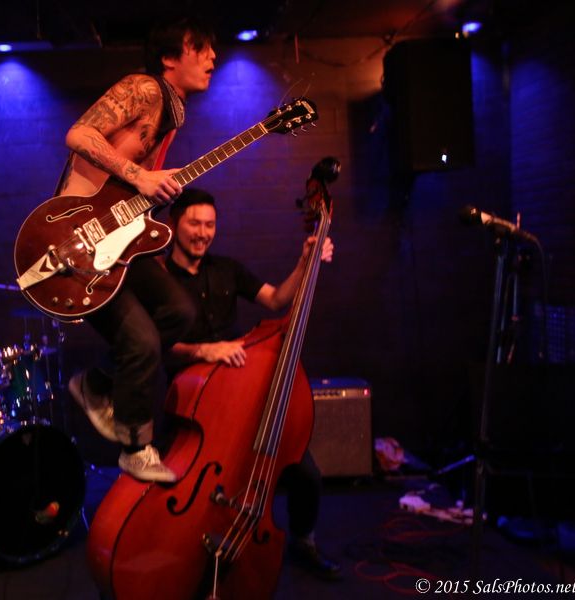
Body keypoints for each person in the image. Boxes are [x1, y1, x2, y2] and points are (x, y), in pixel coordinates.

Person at [63, 15, 217, 482]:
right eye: (200, 47)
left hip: (118, 234)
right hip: (77, 240)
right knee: (142, 338)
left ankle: (96, 383)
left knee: (179, 311)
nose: (213, 57)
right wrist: (141, 177)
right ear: (169, 58)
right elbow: (79, 135)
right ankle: (135, 446)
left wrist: (150, 197)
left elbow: (135, 187)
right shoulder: (144, 88)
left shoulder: (173, 111)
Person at [163, 188, 342, 581]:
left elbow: (276, 300)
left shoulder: (227, 269)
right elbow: (157, 347)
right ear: (174, 224)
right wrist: (202, 350)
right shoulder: (157, 279)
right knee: (179, 480)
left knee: (306, 473)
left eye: (210, 225)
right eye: (195, 223)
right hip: (186, 403)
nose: (203, 233)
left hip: (238, 396)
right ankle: (179, 550)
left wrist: (304, 262)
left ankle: (303, 540)